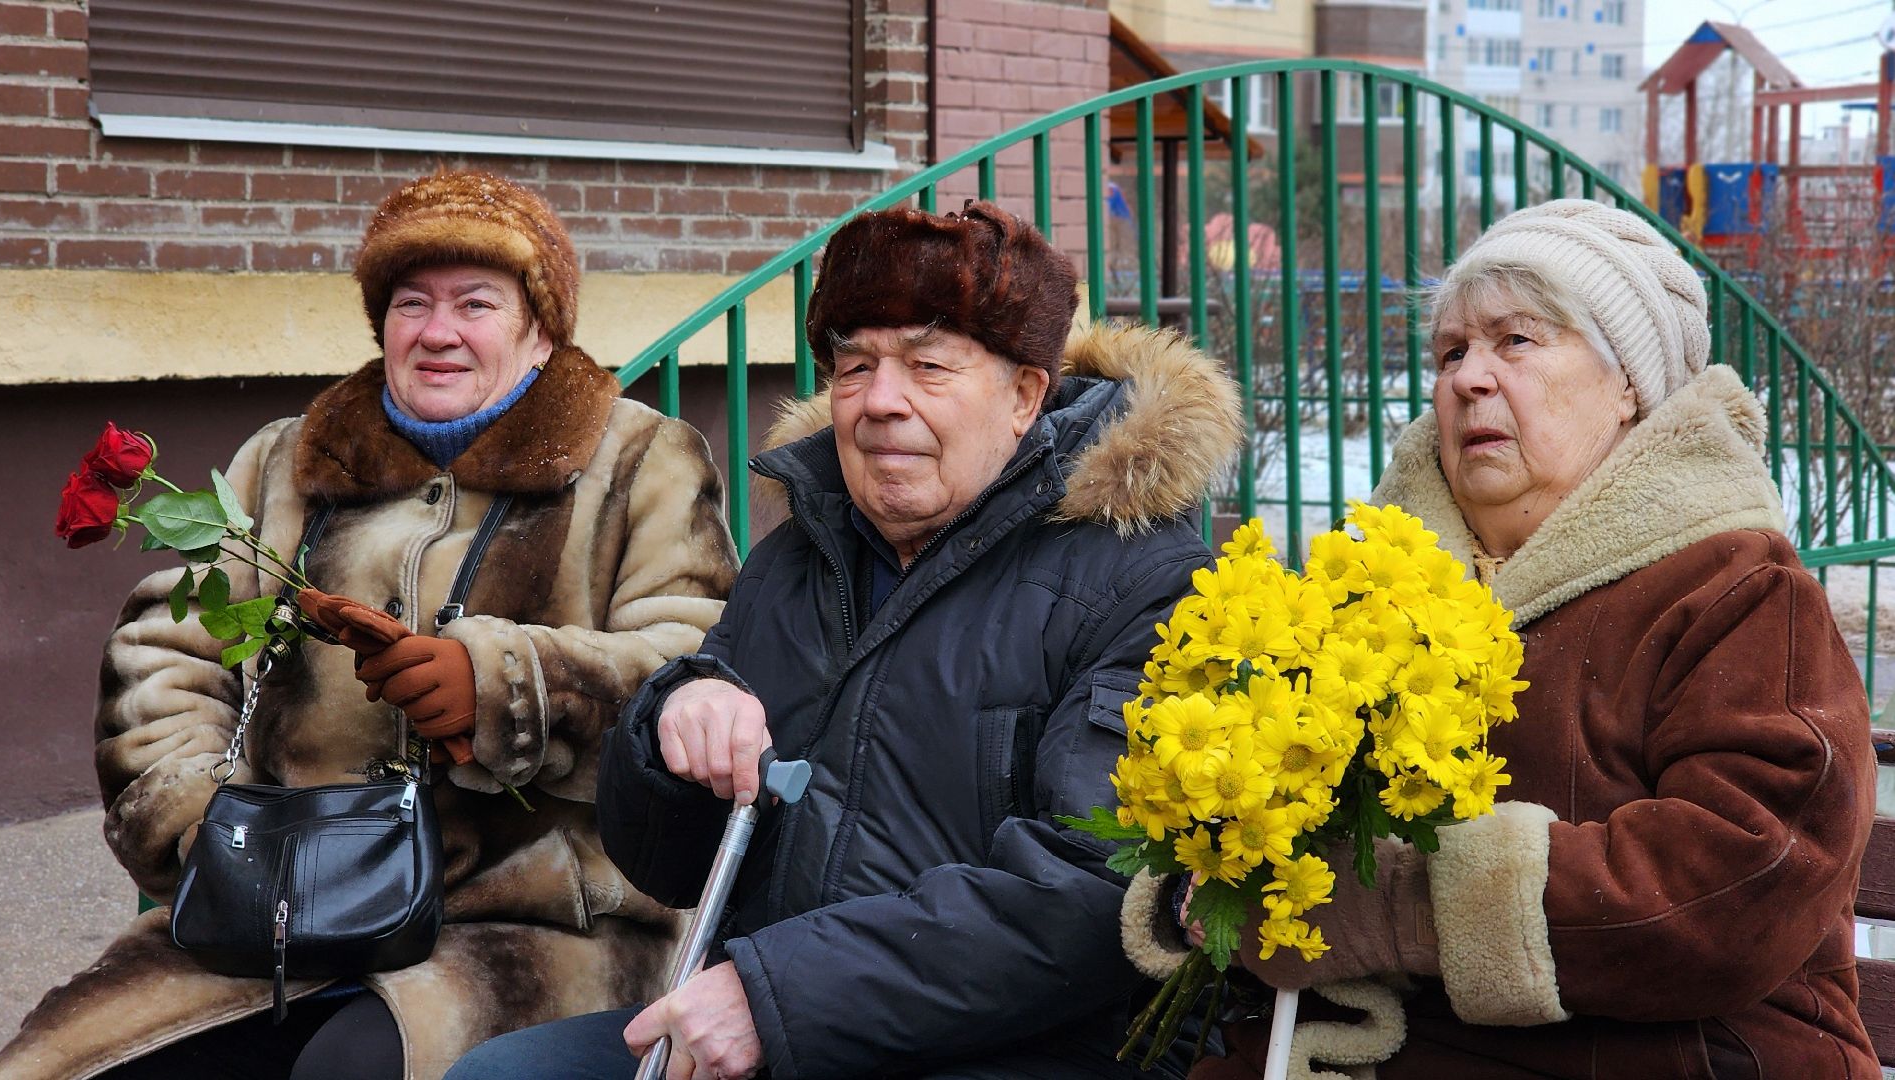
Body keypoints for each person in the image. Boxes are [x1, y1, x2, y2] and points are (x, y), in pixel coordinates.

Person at [445, 201, 1244, 1080]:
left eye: (929, 367)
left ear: (1025, 396)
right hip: (773, 1019)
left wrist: (779, 996)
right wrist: (677, 723)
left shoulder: (1148, 578)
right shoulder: (803, 550)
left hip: (1025, 1046)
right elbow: (670, 868)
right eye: (856, 365)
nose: (880, 403)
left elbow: (1098, 888)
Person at [0, 171, 738, 1080]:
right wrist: (199, 826)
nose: (438, 331)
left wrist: (506, 689)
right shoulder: (286, 459)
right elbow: (167, 657)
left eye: (476, 303)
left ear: (540, 327)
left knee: (353, 1069)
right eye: (410, 303)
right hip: (279, 901)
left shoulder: (640, 461)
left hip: (532, 916)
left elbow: (690, 665)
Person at [1128, 199, 1879, 1079]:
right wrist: (1212, 873)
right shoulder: (1373, 589)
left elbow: (1744, 879)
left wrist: (1402, 911)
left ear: (1629, 384)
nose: (1468, 380)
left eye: (1517, 341)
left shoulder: (1739, 591)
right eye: (1452, 352)